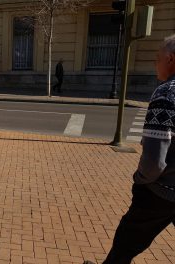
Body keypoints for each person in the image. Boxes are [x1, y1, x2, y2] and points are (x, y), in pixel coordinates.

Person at [84, 34, 175, 264]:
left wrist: (140, 179)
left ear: (170, 59)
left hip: (162, 191)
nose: (155, 63)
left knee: (125, 244)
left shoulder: (166, 93)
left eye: (157, 58)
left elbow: (155, 160)